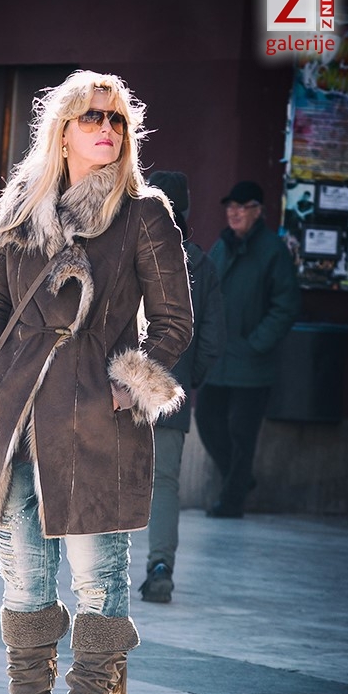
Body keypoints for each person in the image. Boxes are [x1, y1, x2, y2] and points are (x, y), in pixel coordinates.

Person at [0, 69, 193, 694]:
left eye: (117, 120)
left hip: (94, 423)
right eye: (93, 117)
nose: (107, 130)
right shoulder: (24, 208)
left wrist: (130, 384)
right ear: (63, 130)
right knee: (25, 579)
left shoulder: (144, 215)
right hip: (16, 417)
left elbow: (174, 322)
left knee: (97, 580)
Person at [139, 171, 225, 603]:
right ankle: (159, 566)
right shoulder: (201, 265)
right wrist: (188, 379)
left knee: (108, 476)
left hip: (118, 387)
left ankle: (101, 572)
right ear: (186, 210)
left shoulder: (125, 252)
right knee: (164, 483)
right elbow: (212, 340)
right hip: (170, 390)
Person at [195, 180, 301, 518]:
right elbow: (205, 293)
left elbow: (286, 305)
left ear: (258, 211)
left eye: (242, 207)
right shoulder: (222, 246)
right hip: (219, 359)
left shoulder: (273, 250)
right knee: (207, 421)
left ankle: (232, 501)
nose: (234, 212)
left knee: (242, 433)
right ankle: (241, 480)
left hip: (253, 363)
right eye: (231, 206)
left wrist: (256, 343)